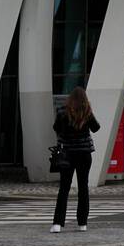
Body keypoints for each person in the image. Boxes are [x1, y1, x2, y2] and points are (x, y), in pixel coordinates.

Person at [51, 86, 100, 233]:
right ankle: (82, 224)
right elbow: (96, 128)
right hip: (84, 154)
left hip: (67, 154)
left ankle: (57, 224)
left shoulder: (62, 112)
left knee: (64, 189)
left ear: (70, 99)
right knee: (83, 188)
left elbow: (56, 128)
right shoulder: (87, 112)